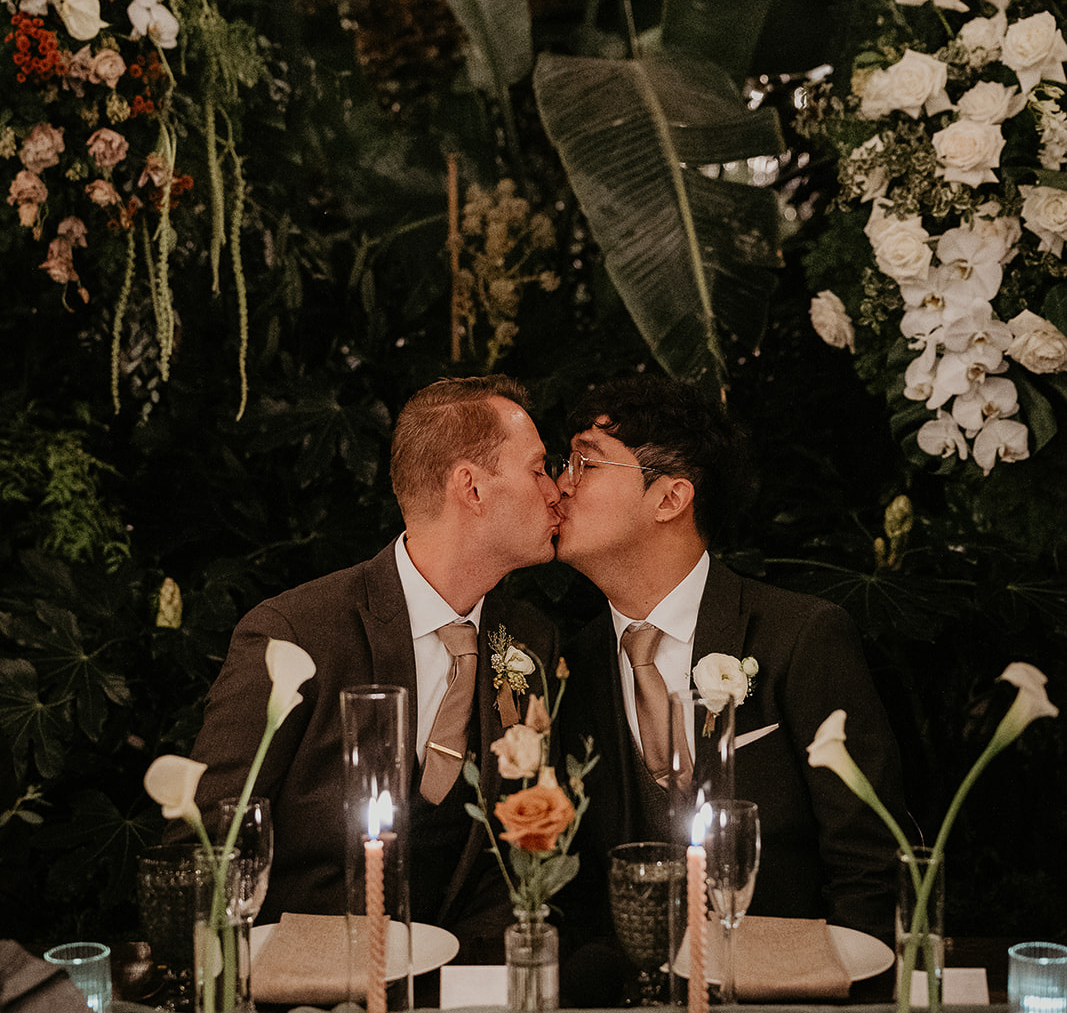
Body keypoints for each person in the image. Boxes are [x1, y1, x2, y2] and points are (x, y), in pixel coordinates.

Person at [173, 376, 561, 961]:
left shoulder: (533, 642)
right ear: (471, 487)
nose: (556, 490)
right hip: (305, 1001)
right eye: (537, 469)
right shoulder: (298, 633)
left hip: (466, 1006)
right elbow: (199, 849)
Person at [554, 374, 908, 950]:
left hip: (788, 1001)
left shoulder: (801, 637)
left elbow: (869, 863)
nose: (559, 486)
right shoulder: (569, 666)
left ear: (670, 497)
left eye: (585, 465)